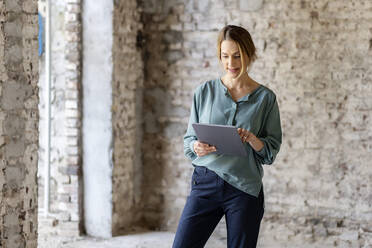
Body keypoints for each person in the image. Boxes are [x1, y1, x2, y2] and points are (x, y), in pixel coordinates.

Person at [171, 25, 282, 248]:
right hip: (205, 181)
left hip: (244, 188)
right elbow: (188, 141)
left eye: (237, 56)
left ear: (249, 54)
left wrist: (252, 139)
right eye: (225, 56)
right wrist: (196, 147)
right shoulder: (204, 92)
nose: (231, 63)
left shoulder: (265, 99)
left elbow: (269, 152)